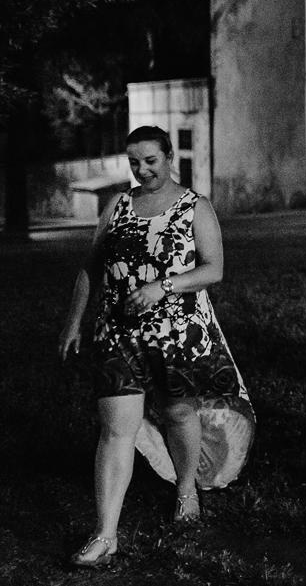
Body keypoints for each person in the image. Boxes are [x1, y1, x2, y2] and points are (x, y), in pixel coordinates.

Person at [58, 125, 255, 568]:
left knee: (178, 413)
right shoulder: (118, 206)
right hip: (117, 334)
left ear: (169, 157)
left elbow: (214, 269)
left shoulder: (194, 207)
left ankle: (186, 490)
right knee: (114, 429)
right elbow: (91, 268)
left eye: (150, 160)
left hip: (176, 333)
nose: (142, 169)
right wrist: (73, 322)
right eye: (133, 161)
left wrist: (162, 287)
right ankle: (105, 533)